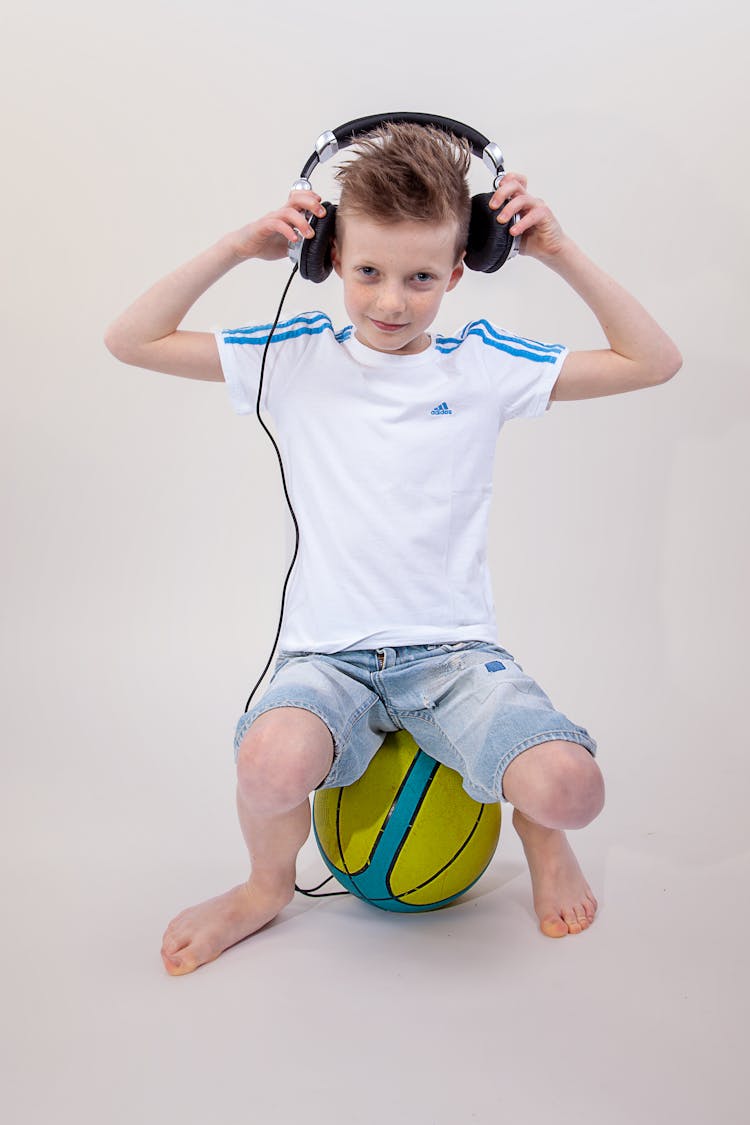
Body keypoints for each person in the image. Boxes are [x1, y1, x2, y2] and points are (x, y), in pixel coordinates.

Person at [104, 122, 681, 976]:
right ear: (329, 256)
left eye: (420, 277)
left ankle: (539, 834)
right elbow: (131, 340)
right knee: (268, 765)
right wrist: (239, 246)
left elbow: (655, 359)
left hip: (452, 656)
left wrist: (557, 249)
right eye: (368, 271)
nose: (390, 301)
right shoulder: (295, 357)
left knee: (574, 790)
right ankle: (265, 887)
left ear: (459, 269)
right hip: (326, 656)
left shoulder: (481, 364)